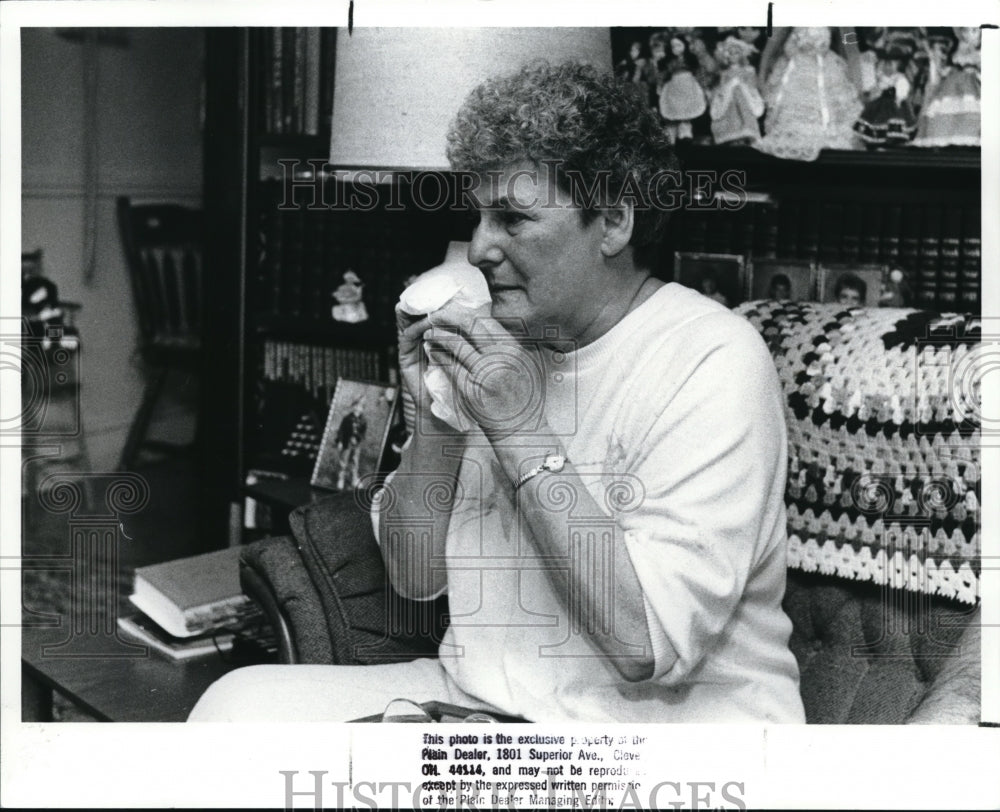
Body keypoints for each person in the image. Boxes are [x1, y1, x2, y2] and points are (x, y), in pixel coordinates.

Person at [189, 61, 804, 724]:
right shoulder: (507, 338)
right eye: (480, 216)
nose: (480, 246)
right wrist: (436, 420)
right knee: (233, 710)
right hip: (481, 701)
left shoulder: (712, 359)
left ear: (615, 222)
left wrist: (517, 428)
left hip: (655, 733)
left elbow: (645, 643)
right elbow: (414, 576)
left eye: (513, 218)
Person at [335, 398, 367, 490]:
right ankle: (341, 478)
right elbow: (341, 430)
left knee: (355, 460)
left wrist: (358, 439)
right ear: (352, 406)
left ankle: (354, 478)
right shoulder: (347, 418)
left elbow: (363, 433)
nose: (357, 408)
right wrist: (340, 441)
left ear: (363, 409)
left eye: (360, 407)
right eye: (356, 406)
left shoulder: (363, 420)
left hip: (356, 444)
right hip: (346, 442)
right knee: (343, 460)